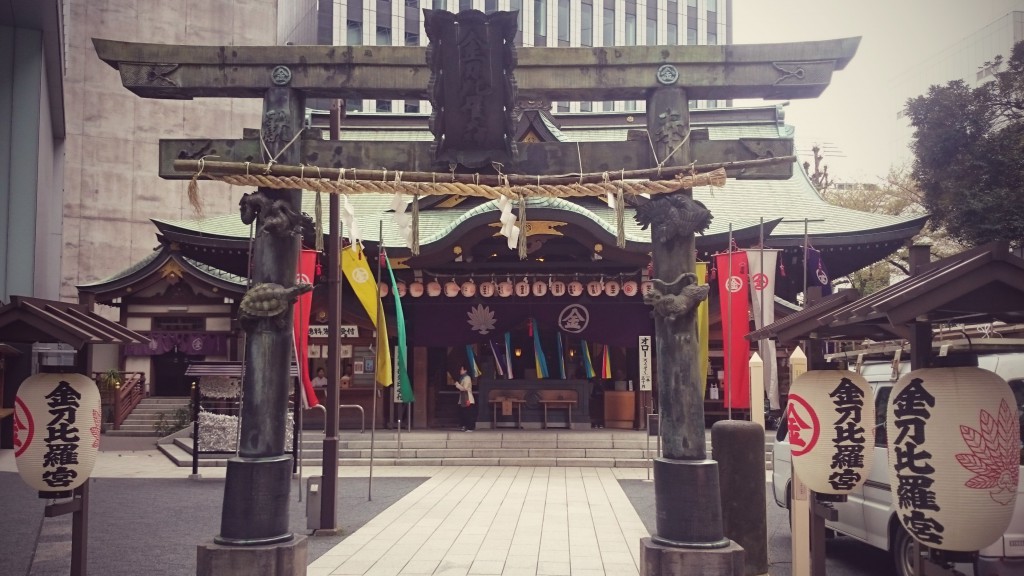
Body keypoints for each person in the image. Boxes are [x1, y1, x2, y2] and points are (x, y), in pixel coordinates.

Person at [453, 365, 476, 431]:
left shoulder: (467, 378)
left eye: (462, 369)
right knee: (463, 413)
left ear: (465, 370)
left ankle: (470, 427)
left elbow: (464, 388)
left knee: (468, 414)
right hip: (462, 398)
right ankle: (464, 426)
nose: (460, 371)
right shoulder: (462, 378)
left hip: (467, 398)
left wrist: (457, 385)